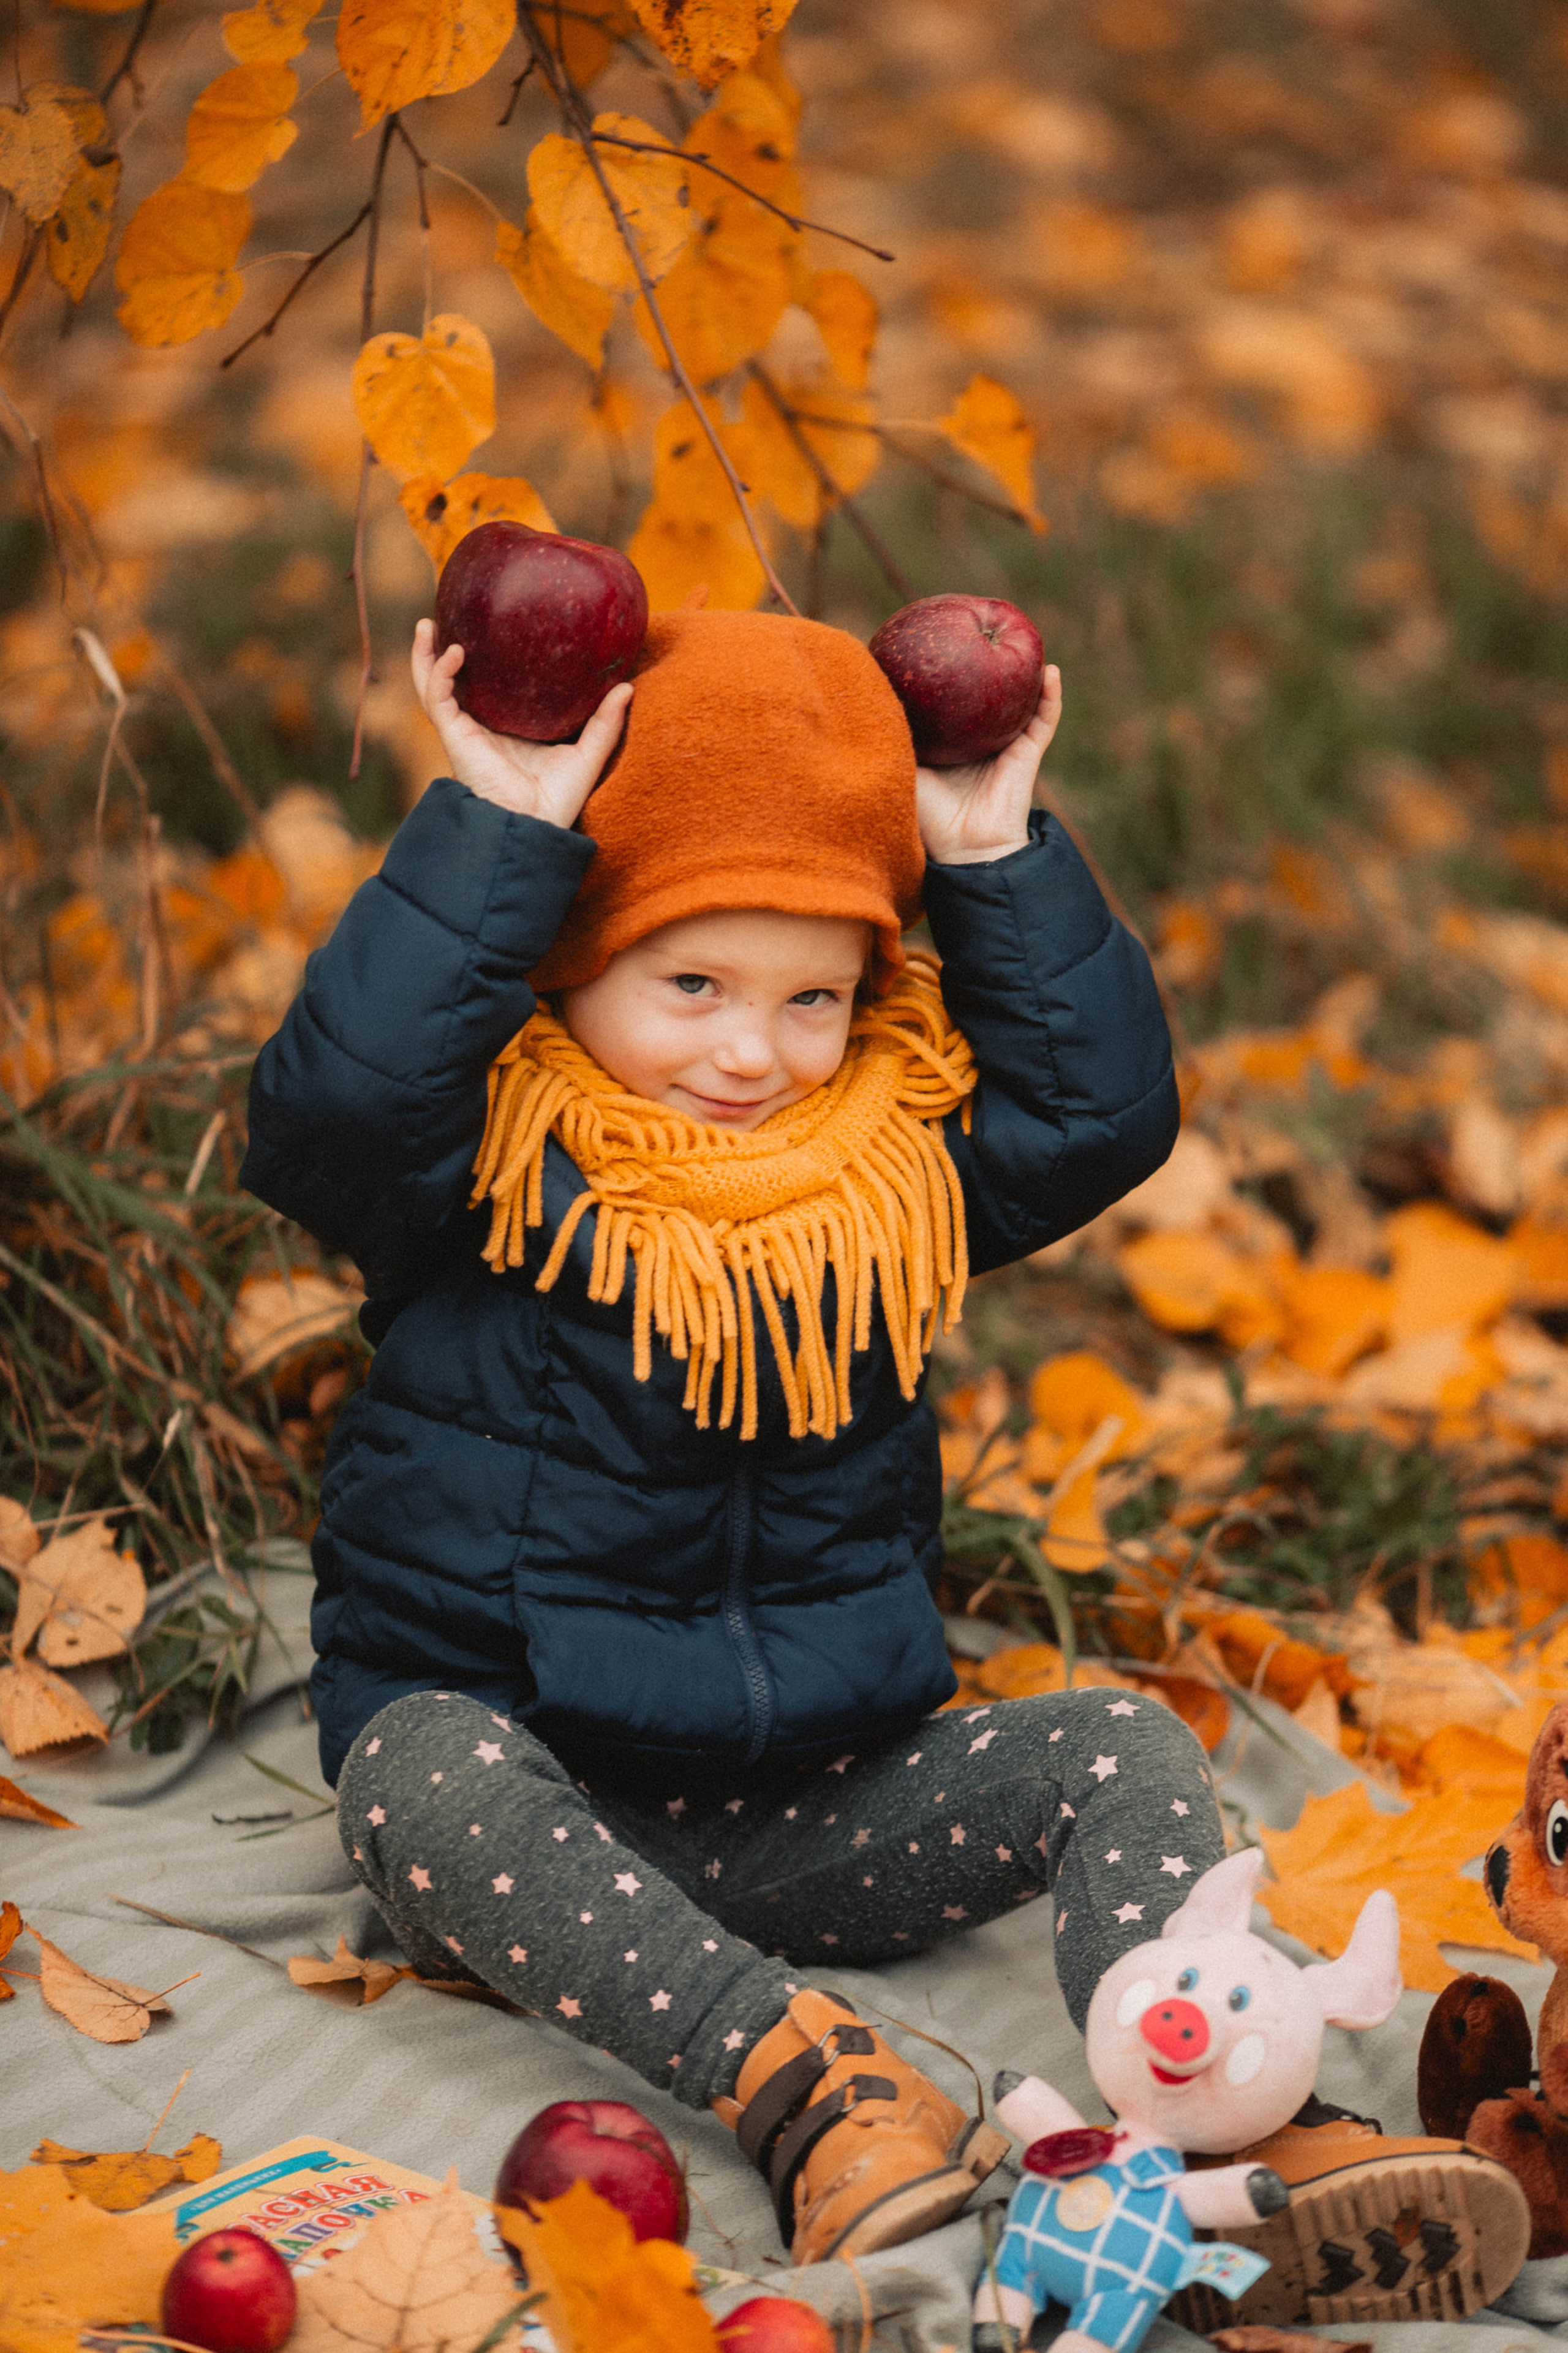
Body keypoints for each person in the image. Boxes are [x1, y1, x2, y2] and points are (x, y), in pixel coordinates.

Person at [241, 602, 1495, 2302]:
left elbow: (1096, 1114)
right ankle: (813, 2089)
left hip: (814, 1802)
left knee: (1118, 1743)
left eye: (813, 996)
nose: (752, 1051)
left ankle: (1227, 2112)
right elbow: (328, 1108)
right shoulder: (486, 1169)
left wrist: (986, 849)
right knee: (411, 1768)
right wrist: (508, 825)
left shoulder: (889, 1183)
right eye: (691, 985)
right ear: (571, 962)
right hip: (536, 1796)